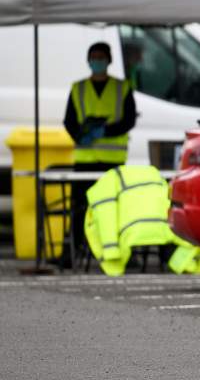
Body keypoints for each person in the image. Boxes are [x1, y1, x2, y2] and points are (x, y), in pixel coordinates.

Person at [63, 42, 136, 264]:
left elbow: (128, 120)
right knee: (79, 207)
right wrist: (81, 135)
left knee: (114, 207)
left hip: (112, 160)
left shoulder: (122, 87)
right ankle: (73, 251)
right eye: (93, 57)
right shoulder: (78, 88)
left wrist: (105, 130)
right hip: (84, 160)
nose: (97, 61)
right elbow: (69, 120)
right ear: (88, 60)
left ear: (109, 60)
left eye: (101, 57)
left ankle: (119, 249)